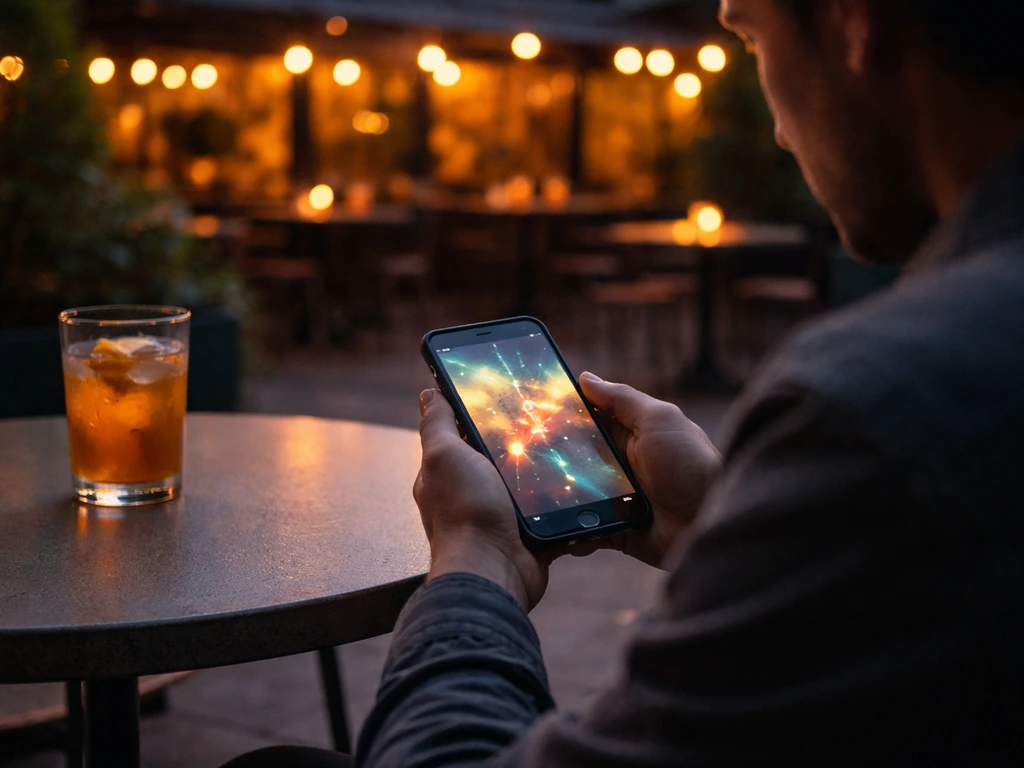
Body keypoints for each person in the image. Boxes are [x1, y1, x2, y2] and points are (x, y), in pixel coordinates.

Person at [224, 0, 1024, 765]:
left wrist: (475, 563)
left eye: (749, 38)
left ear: (857, 20)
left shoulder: (877, 406)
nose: (777, 130)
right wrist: (722, 525)